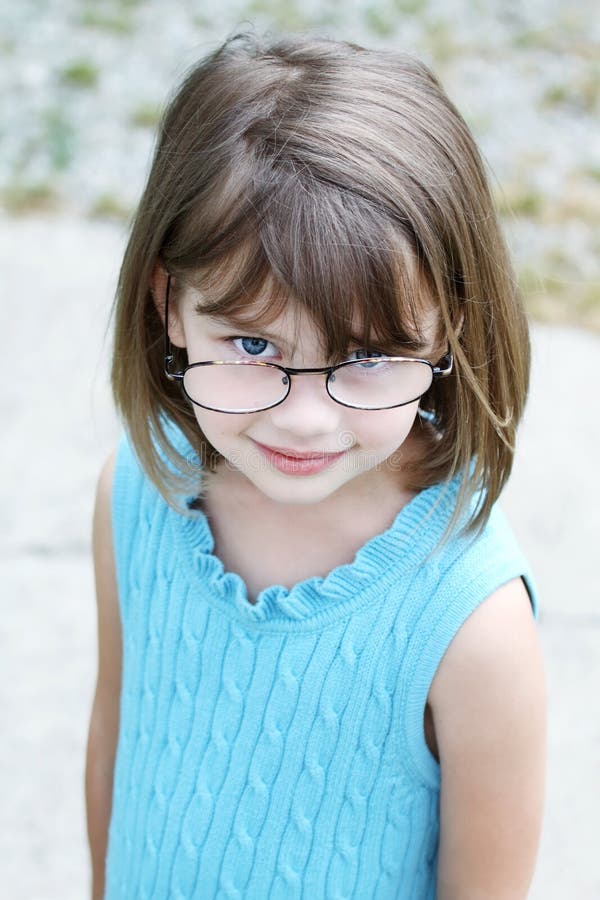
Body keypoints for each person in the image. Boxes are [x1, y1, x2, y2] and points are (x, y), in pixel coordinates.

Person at [85, 30, 546, 900]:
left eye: (368, 355)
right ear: (168, 306)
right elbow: (116, 740)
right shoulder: (138, 495)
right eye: (253, 343)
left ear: (446, 323)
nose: (304, 418)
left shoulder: (471, 627)